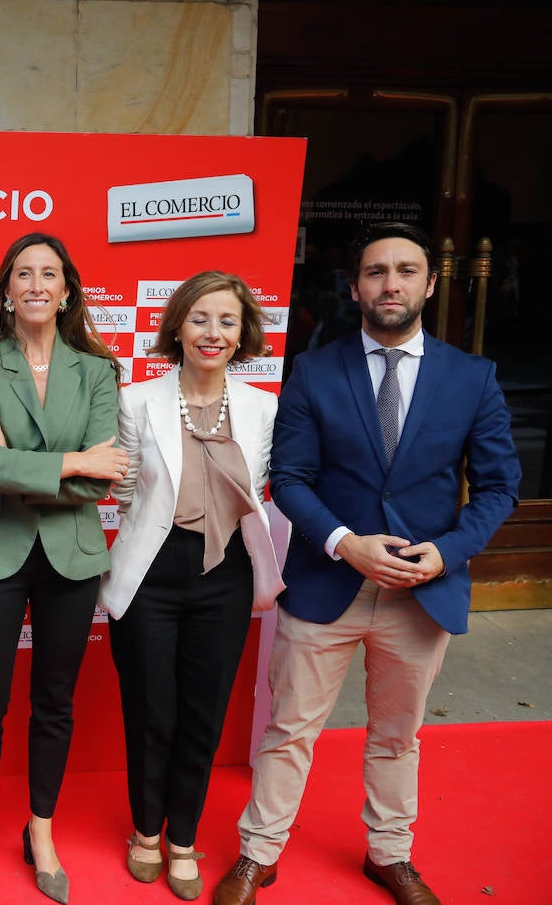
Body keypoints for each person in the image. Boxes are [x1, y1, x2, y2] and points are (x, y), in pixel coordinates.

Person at [213, 222, 520, 905]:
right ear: (355, 287)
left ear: (430, 283)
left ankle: (391, 855)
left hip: (421, 590)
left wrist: (446, 551)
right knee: (290, 728)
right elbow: (289, 477)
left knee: (397, 735)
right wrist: (345, 542)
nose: (391, 283)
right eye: (376, 272)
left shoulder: (473, 378)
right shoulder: (316, 371)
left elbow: (500, 486)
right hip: (327, 584)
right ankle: (257, 854)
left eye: (406, 270)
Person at [0, 233, 127, 905]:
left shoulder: (98, 371)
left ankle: (41, 829)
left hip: (70, 557)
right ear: (5, 291)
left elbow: (102, 485)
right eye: (23, 273)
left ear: (67, 290)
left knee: (55, 702)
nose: (35, 284)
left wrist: (30, 464)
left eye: (48, 273)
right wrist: (73, 461)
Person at [102, 271, 285, 901]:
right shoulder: (137, 401)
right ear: (177, 325)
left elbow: (261, 493)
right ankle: (146, 833)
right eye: (200, 319)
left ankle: (184, 837)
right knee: (152, 711)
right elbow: (124, 493)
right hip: (151, 571)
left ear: (243, 335)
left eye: (227, 321)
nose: (213, 332)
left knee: (202, 713)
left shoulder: (264, 408)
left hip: (225, 574)